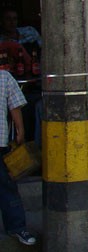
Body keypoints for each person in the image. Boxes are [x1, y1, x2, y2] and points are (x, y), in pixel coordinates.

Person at [0, 70, 36, 246]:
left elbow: (14, 105)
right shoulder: (4, 76)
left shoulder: (5, 77)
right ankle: (16, 227)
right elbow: (15, 105)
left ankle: (16, 227)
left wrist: (20, 130)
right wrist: (20, 130)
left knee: (6, 186)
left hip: (0, 141)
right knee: (6, 187)